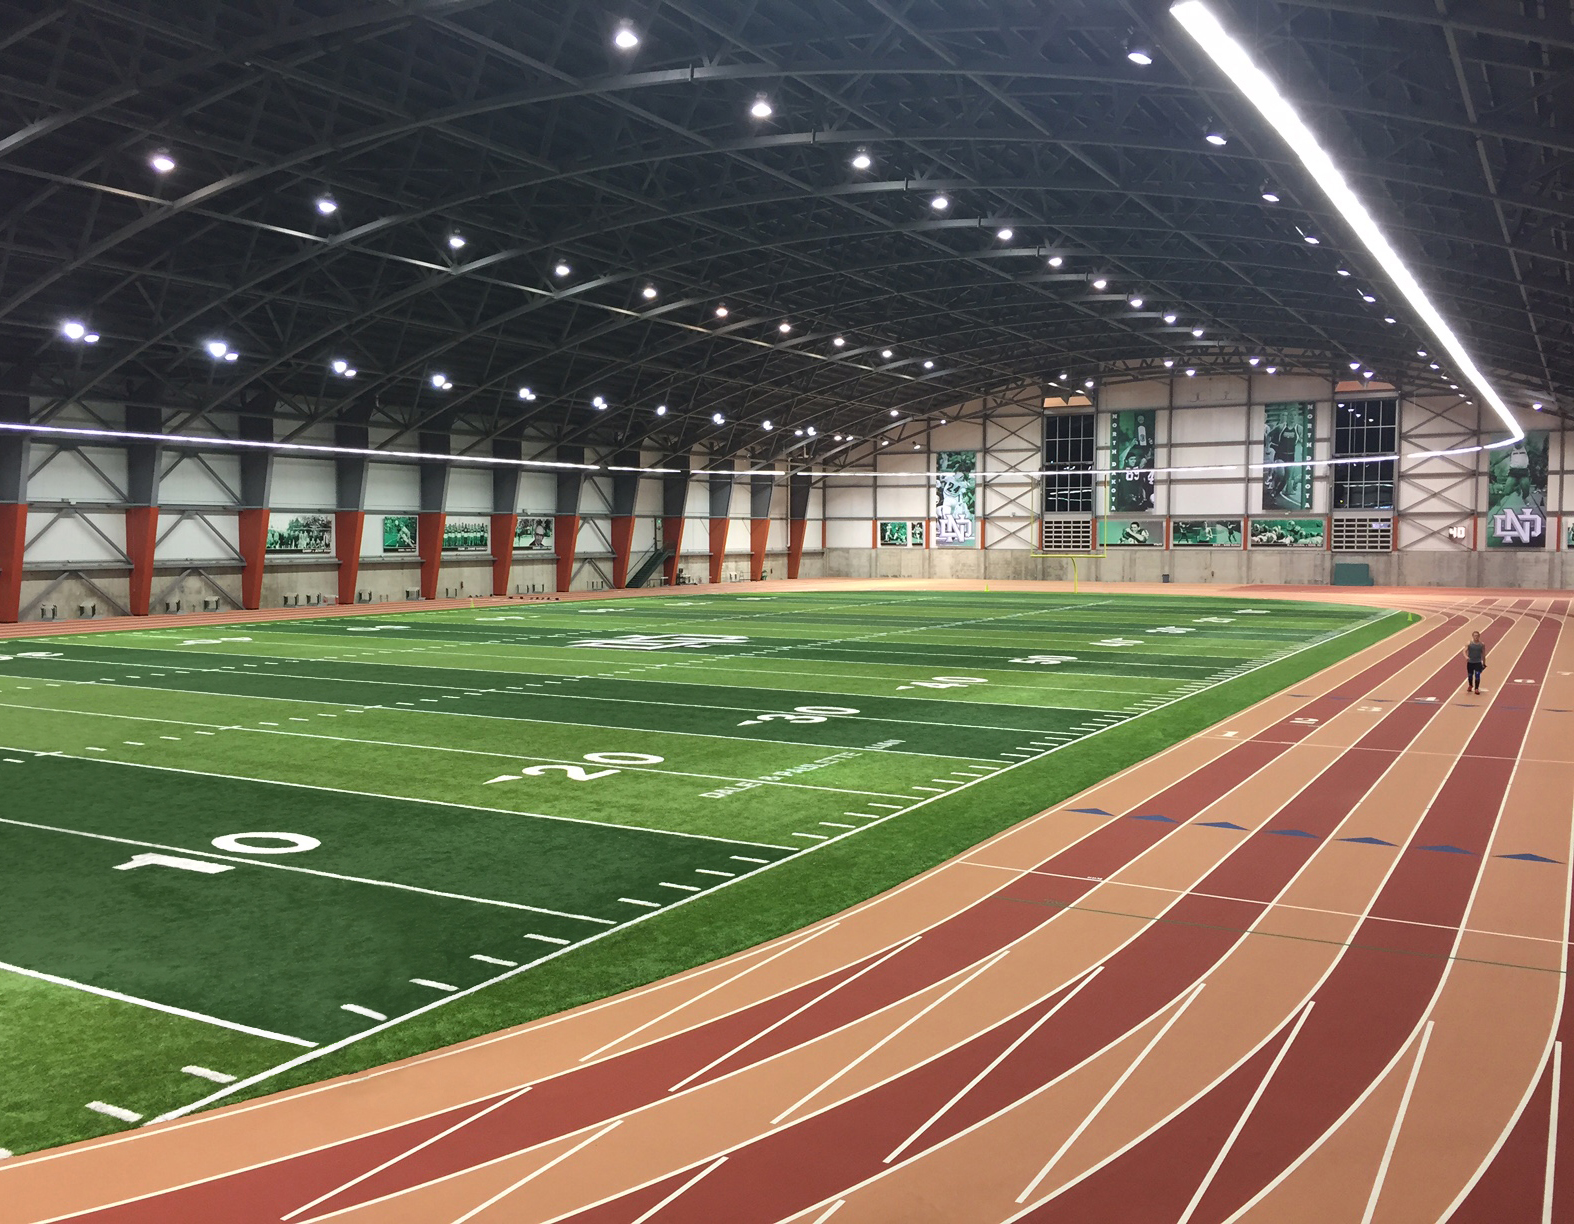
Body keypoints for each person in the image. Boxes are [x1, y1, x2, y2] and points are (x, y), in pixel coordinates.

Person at [1463, 630, 1487, 695]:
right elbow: (1464, 651)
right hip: (1470, 662)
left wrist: (1484, 663)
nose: (1476, 637)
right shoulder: (1469, 643)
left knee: (1477, 675)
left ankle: (1476, 688)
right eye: (1475, 636)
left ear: (1479, 636)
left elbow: (1483, 654)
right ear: (1473, 636)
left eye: (1477, 636)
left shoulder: (1482, 644)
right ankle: (1470, 685)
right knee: (1470, 675)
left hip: (1478, 662)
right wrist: (1466, 657)